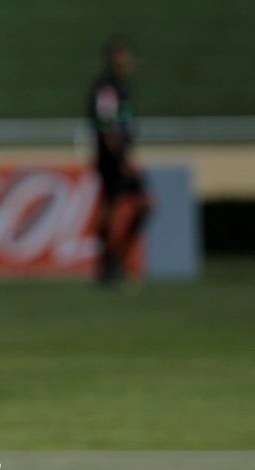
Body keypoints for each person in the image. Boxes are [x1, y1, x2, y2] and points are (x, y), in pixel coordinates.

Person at [88, 35, 152, 286]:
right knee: (112, 208)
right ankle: (108, 264)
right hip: (113, 158)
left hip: (122, 156)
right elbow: (107, 127)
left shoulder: (122, 87)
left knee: (143, 205)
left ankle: (115, 261)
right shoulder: (107, 88)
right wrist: (121, 158)